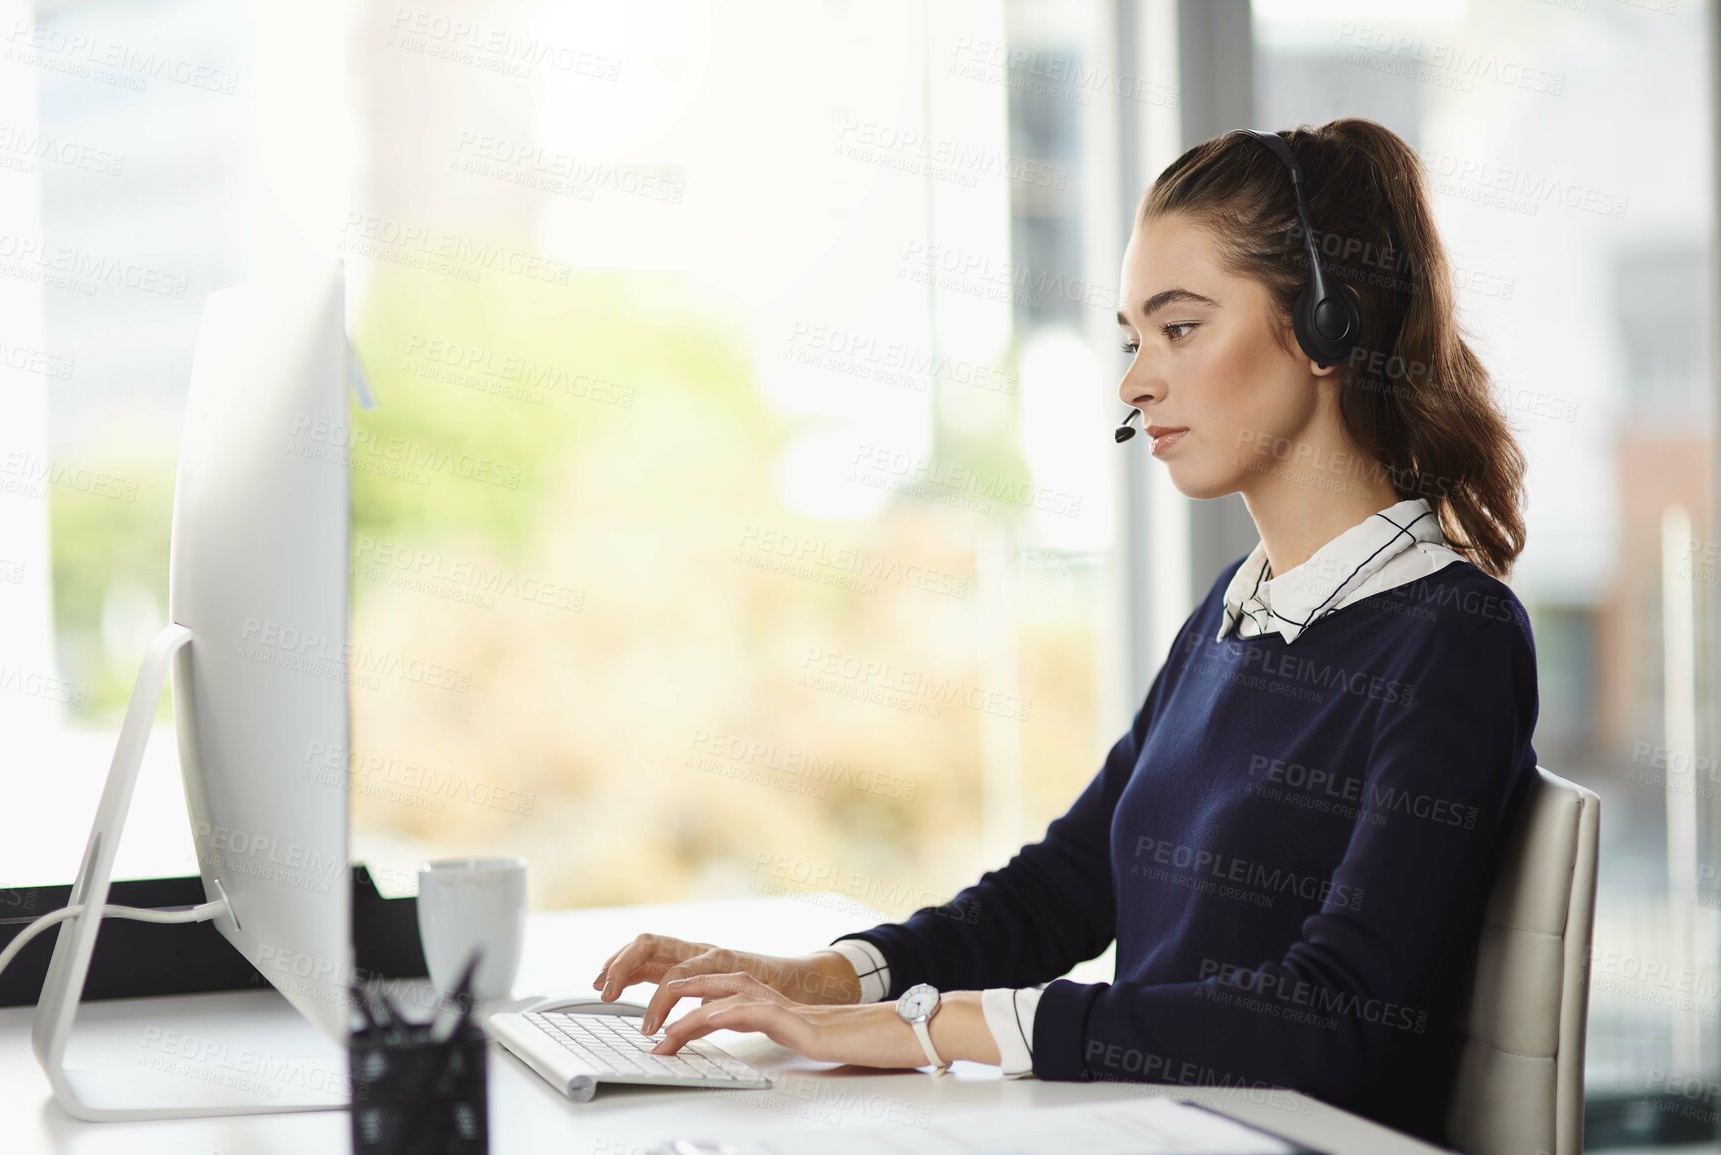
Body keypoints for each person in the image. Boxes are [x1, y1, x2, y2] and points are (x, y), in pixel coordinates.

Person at [591, 117, 1538, 1147]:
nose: (1136, 382)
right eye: (1134, 339)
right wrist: (818, 981)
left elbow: (1334, 1019)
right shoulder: (1236, 611)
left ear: (1325, 324)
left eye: (1181, 329)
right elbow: (1059, 893)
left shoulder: (1454, 638)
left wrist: (927, 1029)